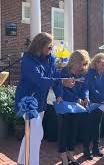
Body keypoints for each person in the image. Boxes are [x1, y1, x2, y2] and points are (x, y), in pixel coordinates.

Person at [14, 32, 75, 165]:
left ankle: (22, 161)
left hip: (40, 102)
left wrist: (59, 94)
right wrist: (62, 81)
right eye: (49, 47)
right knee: (36, 134)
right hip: (27, 101)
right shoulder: (27, 60)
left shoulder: (51, 58)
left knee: (29, 134)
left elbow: (55, 76)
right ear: (39, 46)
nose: (51, 50)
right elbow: (40, 80)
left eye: (52, 47)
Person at [57, 50, 90, 165]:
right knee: (64, 131)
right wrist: (60, 96)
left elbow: (85, 88)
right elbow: (59, 86)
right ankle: (62, 154)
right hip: (65, 105)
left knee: (73, 130)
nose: (82, 66)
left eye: (84, 63)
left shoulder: (82, 74)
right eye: (81, 63)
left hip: (77, 107)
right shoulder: (64, 71)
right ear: (74, 61)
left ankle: (70, 153)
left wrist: (85, 97)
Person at [82, 53, 104, 160]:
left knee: (97, 126)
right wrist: (102, 98)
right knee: (89, 127)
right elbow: (91, 88)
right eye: (103, 64)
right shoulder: (90, 73)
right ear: (96, 62)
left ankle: (96, 148)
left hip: (102, 103)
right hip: (92, 103)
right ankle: (86, 150)